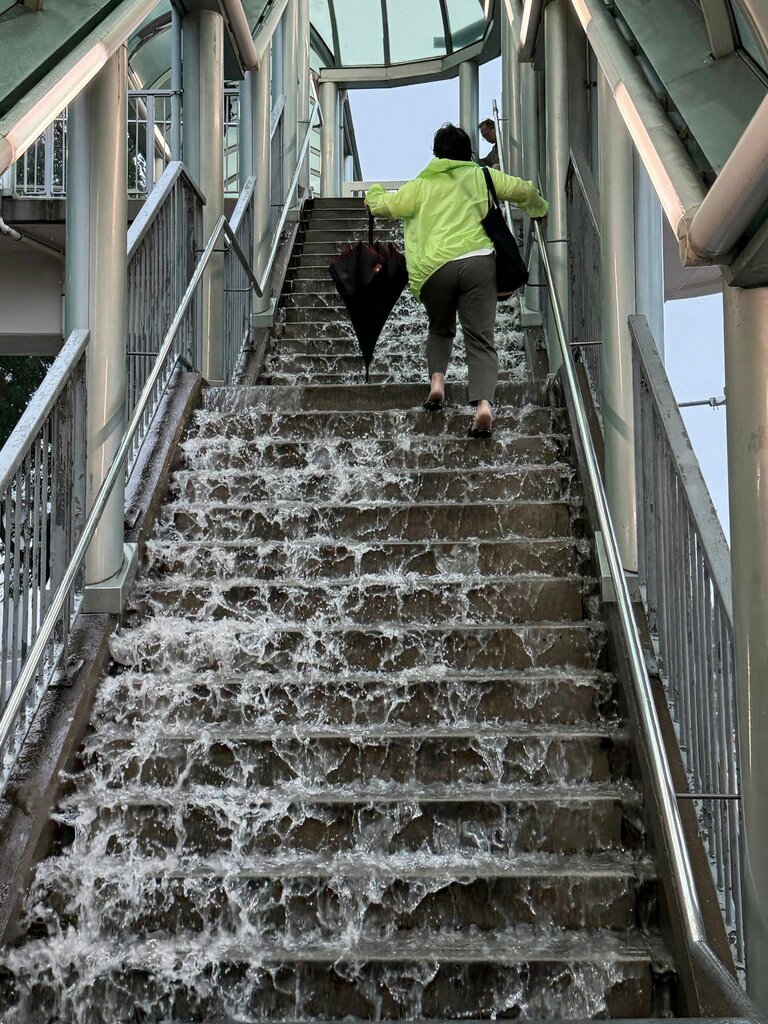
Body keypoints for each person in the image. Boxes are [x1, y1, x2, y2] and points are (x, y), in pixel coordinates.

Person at [364, 123, 548, 438]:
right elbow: (523, 190)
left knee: (440, 328)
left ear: (436, 153)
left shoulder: (420, 185)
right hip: (478, 263)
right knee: (480, 338)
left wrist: (374, 191)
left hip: (436, 270)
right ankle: (484, 407)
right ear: (468, 153)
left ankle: (437, 383)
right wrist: (538, 209)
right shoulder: (482, 176)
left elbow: (385, 207)